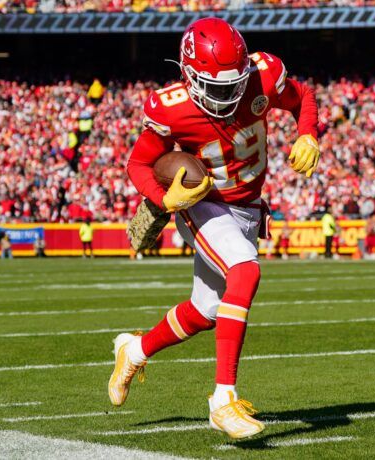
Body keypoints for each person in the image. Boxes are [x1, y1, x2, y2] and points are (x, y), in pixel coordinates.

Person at [110, 17, 319, 439]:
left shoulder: (262, 76)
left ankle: (134, 349)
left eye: (233, 85)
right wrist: (162, 196)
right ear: (188, 74)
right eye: (216, 87)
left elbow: (303, 97)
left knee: (205, 311)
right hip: (204, 203)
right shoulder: (171, 107)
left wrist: (309, 133)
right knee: (245, 271)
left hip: (247, 207)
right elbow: (137, 162)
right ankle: (223, 400)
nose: (226, 96)